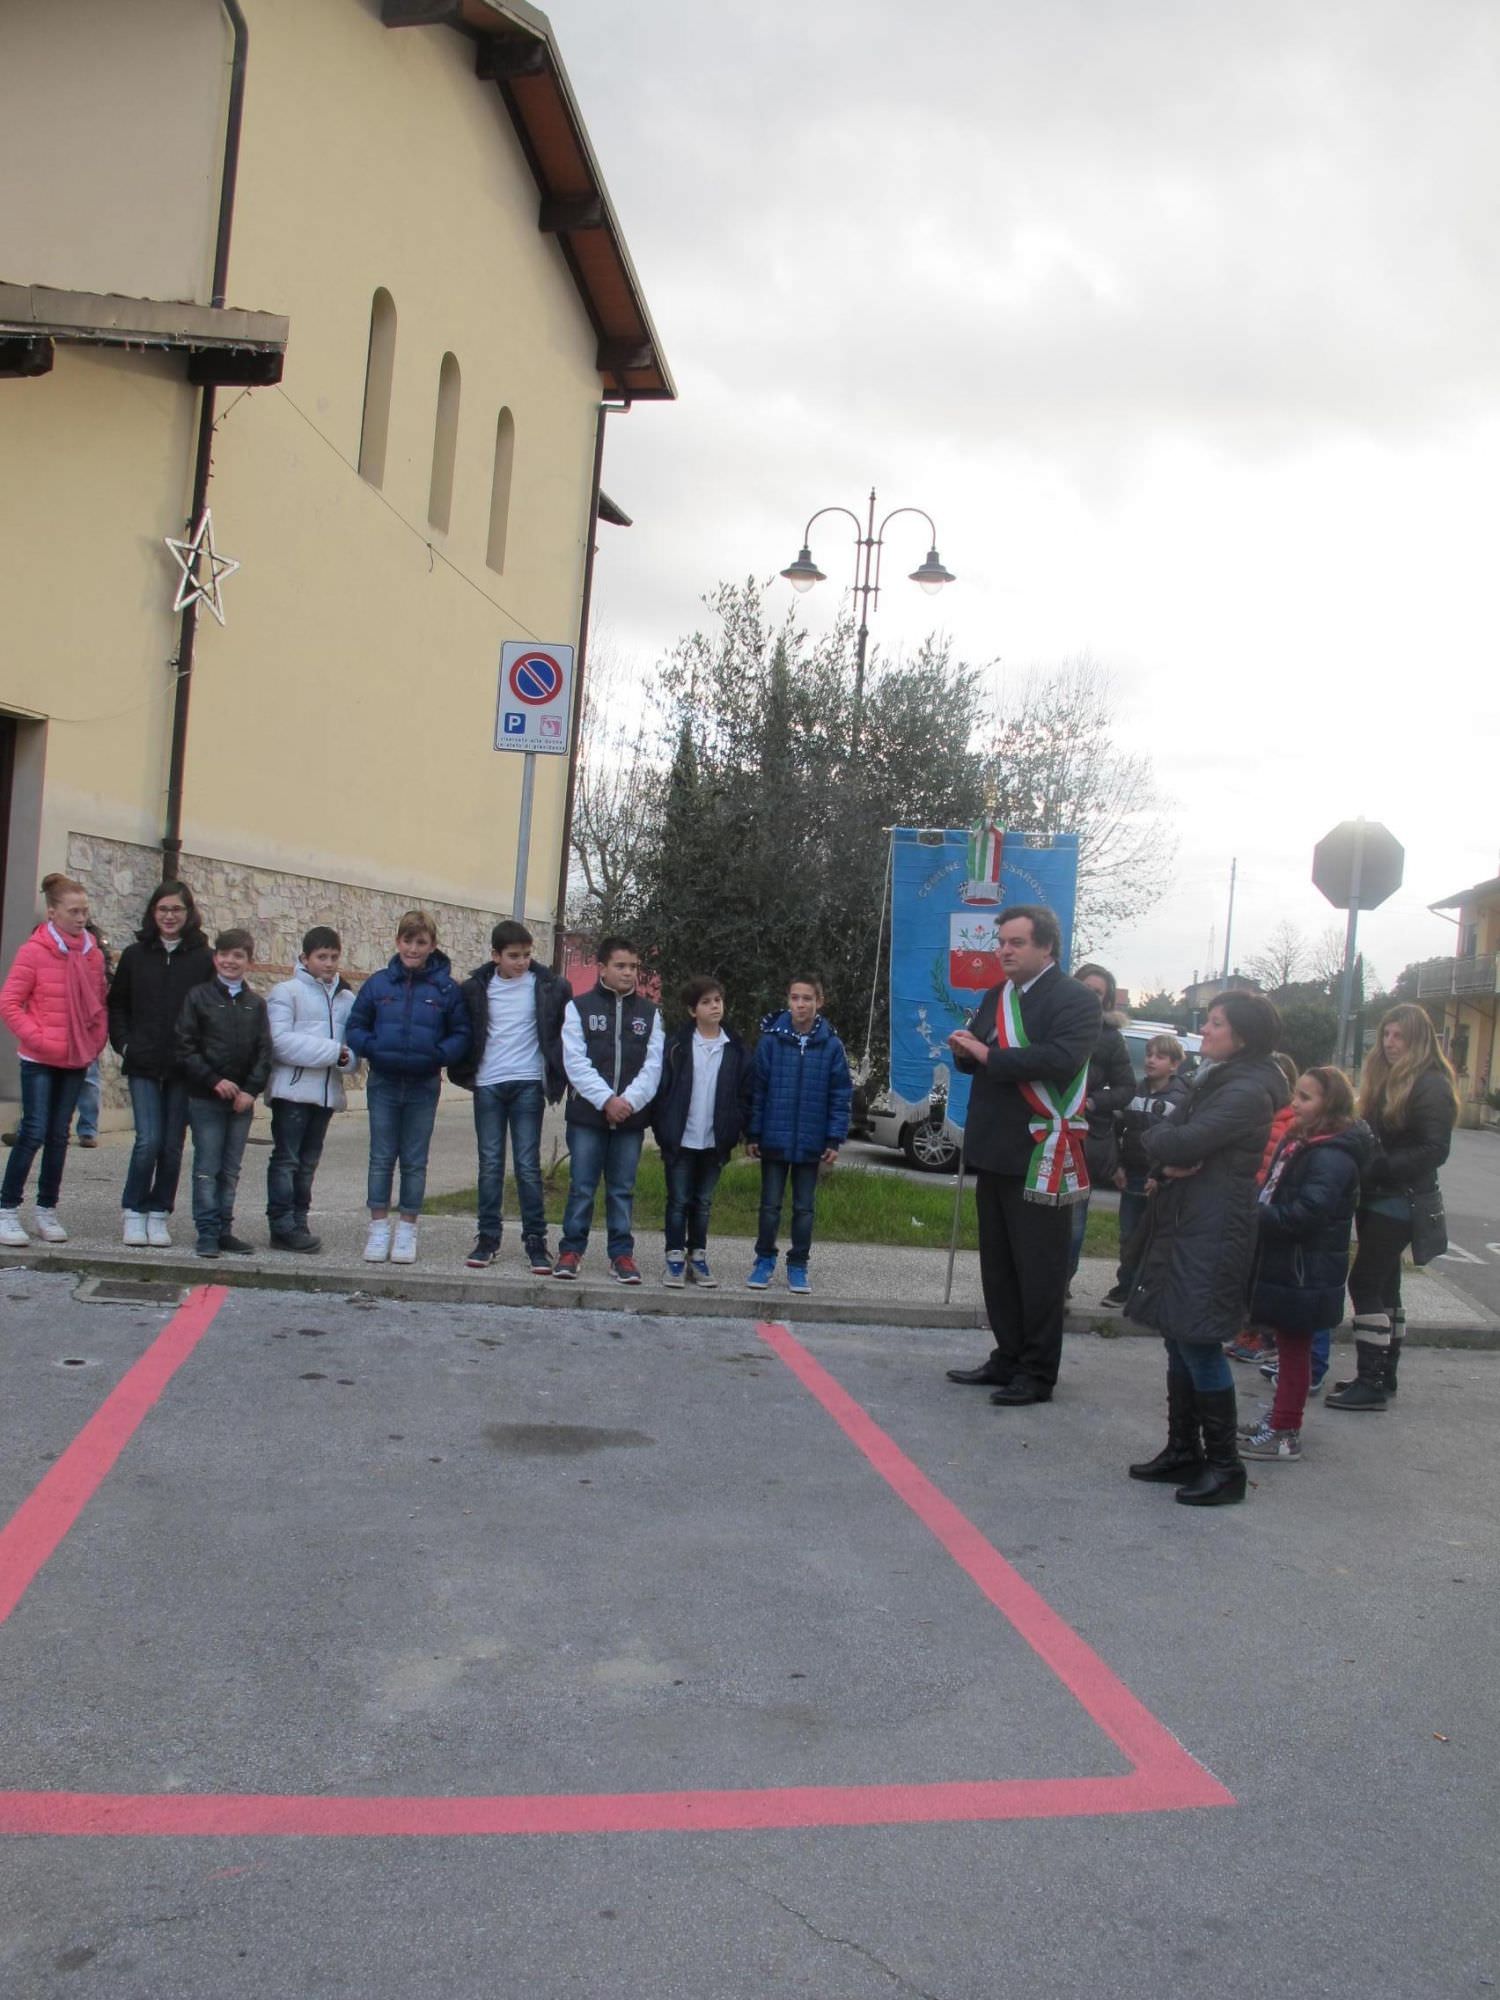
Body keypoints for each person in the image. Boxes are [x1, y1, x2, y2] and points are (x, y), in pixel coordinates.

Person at [1125, 991, 1287, 1507]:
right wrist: (1166, 1157)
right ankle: (1182, 1450)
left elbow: (1179, 1139)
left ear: (1241, 1035)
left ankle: (1224, 1466)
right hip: (1189, 1219)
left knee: (1197, 1340)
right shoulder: (1216, 1079)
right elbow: (1167, 1135)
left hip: (1214, 1229)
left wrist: (1167, 1148)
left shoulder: (1245, 1091)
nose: (1207, 1030)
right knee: (1177, 1333)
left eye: (1216, 1023)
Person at [943, 907, 1100, 1402]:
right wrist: (966, 1053)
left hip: (1040, 1150)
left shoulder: (1075, 1000)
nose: (1004, 951)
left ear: (1046, 947)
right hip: (994, 1147)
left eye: (1016, 942)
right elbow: (982, 1056)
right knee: (1000, 1265)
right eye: (1001, 942)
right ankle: (1006, 1355)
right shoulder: (998, 994)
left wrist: (990, 1056)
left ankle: (1037, 1371)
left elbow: (1059, 1060)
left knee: (1039, 1268)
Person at [1326, 1002, 1459, 1412]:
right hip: (1381, 1195)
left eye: (1399, 1036)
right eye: (1386, 1034)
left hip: (1400, 1199)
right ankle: (1384, 1373)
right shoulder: (1389, 1078)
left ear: (1417, 1039)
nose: (1389, 1043)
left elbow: (1435, 1149)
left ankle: (1371, 1379)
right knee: (1385, 1285)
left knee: (1364, 1282)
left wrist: (1379, 1166)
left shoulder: (1430, 1083)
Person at [1240, 1066, 1371, 1461]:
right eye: (1296, 1094)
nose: (1295, 1103)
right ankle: (1280, 1417)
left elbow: (1307, 1213)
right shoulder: (1305, 1140)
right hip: (1291, 1264)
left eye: (1306, 1098)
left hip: (1304, 1268)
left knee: (1295, 1349)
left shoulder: (1332, 1155)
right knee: (1287, 1346)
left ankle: (1285, 1432)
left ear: (1329, 1105)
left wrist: (1254, 1215)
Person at [345, 909, 471, 1266]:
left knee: (414, 1160)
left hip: (423, 1083)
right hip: (383, 1081)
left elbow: (461, 1033)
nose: (413, 948)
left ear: (432, 945)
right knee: (381, 1157)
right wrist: (372, 1048)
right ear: (397, 941)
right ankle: (379, 1228)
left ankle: (407, 1230)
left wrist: (438, 1054)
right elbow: (356, 1025)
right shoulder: (378, 984)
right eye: (407, 940)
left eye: (421, 942)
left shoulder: (446, 989)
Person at [450, 919, 568, 1275]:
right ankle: (488, 1238)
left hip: (528, 1083)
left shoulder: (550, 986)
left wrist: (559, 1076)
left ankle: (535, 1240)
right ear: (495, 955)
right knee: (489, 1163)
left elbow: (563, 1034)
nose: (522, 962)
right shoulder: (475, 988)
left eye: (527, 955)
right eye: (514, 956)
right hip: (488, 1084)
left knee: (528, 1166)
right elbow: (465, 1031)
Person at [0, 873, 110, 1246]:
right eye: (73, 911)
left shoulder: (92, 954)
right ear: (53, 913)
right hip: (40, 1058)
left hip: (77, 1058)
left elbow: (98, 1003)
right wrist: (40, 1038)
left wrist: (95, 1041)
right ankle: (7, 1209)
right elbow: (10, 1003)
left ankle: (47, 1209)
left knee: (60, 1136)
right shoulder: (34, 950)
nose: (81, 918)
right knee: (33, 1131)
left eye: (85, 911)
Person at [108, 880, 215, 1247]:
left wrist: (201, 1057)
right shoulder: (136, 955)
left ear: (189, 914)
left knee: (172, 1145)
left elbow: (210, 1011)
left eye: (177, 910)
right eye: (163, 909)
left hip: (184, 1068)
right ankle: (133, 1210)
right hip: (143, 1063)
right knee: (148, 1141)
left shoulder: (204, 959)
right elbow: (117, 1004)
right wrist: (124, 1044)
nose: (170, 916)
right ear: (153, 913)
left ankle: (159, 1213)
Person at [555, 935, 663, 1283]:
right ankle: (571, 1249)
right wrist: (606, 1100)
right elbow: (575, 1062)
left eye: (633, 966)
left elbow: (653, 1065)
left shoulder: (650, 1013)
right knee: (582, 1186)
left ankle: (621, 1255)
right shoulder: (579, 1008)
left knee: (622, 1189)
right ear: (602, 967)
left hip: (630, 1118)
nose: (628, 973)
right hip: (588, 1115)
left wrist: (628, 1102)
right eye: (620, 966)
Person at [745, 975, 851, 1297]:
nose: (800, 1004)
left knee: (804, 1209)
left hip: (811, 1143)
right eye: (795, 998)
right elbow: (757, 1090)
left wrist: (833, 1139)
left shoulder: (831, 1045)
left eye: (807, 998)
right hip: (774, 1139)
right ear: (787, 1000)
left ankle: (798, 1264)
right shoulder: (771, 1042)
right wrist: (753, 1132)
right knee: (769, 1206)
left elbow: (840, 1094)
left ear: (820, 1002)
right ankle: (764, 1260)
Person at [173, 927, 274, 1259]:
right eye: (225, 954)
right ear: (216, 958)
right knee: (207, 1165)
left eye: (238, 956)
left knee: (231, 1168)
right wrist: (213, 1080)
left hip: (241, 1102)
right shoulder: (198, 997)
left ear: (249, 961)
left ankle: (224, 1228)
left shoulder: (255, 1005)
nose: (231, 961)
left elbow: (264, 1052)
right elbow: (185, 1046)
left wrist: (250, 1090)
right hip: (206, 1097)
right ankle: (207, 1231)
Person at [264, 925, 358, 1253]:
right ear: (305, 958)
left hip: (325, 1093)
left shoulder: (346, 998)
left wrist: (347, 1058)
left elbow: (353, 1046)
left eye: (334, 957)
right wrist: (334, 1052)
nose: (329, 963)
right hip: (291, 1091)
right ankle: (281, 1223)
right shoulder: (286, 992)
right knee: (287, 1158)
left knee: (308, 1162)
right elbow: (280, 1043)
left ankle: (299, 1218)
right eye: (322, 957)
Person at [653, 976, 751, 1288]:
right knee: (678, 1200)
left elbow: (744, 1094)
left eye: (718, 1001)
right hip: (680, 1138)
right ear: (692, 1010)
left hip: (715, 1140)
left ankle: (698, 1256)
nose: (714, 1007)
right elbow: (662, 1091)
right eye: (706, 1002)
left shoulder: (735, 1050)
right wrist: (664, 1129)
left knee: (703, 1201)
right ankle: (674, 1257)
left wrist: (737, 1129)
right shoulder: (678, 1047)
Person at [1101, 1033, 1190, 1308]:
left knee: (1156, 1235)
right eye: (1149, 1054)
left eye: (1159, 1056)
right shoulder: (1134, 1092)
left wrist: (1160, 1173)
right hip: (1132, 1173)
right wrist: (1117, 1165)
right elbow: (1117, 1130)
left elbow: (1179, 1142)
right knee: (1129, 1234)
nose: (1151, 1060)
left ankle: (1150, 1289)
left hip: (1162, 1180)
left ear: (1174, 1065)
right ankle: (1125, 1285)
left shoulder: (1181, 1097)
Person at [1223, 1050, 1301, 1363]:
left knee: (1259, 1273)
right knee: (1245, 1270)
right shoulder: (1255, 1113)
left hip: (1265, 1201)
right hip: (1247, 1198)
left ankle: (1261, 1336)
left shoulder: (1288, 1122)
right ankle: (1248, 1329)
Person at [1068, 963, 1136, 1284]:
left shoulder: (1111, 1039)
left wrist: (1094, 1101)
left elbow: (1127, 1088)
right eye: (1086, 988)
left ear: (1106, 1000)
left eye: (1098, 993)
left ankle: (1061, 1283)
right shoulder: (1053, 1022)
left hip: (1085, 1139)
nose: (1091, 996)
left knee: (1074, 1217)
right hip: (1042, 1131)